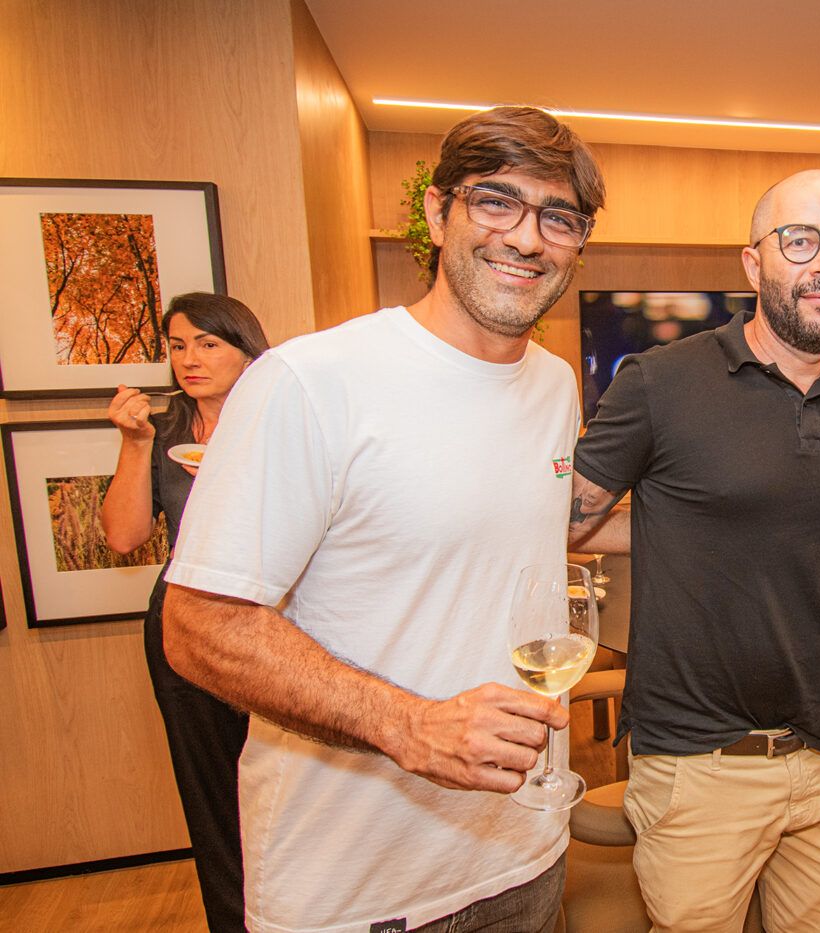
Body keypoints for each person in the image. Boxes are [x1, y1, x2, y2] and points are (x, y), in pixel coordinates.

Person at [161, 106, 609, 933]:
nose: (527, 238)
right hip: (358, 892)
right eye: (496, 202)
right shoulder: (309, 381)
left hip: (525, 855)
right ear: (438, 214)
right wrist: (412, 725)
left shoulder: (553, 386)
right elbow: (197, 626)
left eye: (559, 218)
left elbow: (527, 531)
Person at [567, 169, 820, 932]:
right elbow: (562, 522)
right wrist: (668, 523)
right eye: (801, 240)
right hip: (697, 766)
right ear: (754, 263)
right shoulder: (660, 382)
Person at [100, 292, 269, 933]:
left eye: (208, 343)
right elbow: (123, 537)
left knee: (290, 789)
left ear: (247, 350)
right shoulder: (162, 428)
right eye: (176, 345)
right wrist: (134, 443)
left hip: (274, 624)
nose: (188, 360)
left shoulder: (280, 419)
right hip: (181, 625)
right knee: (213, 796)